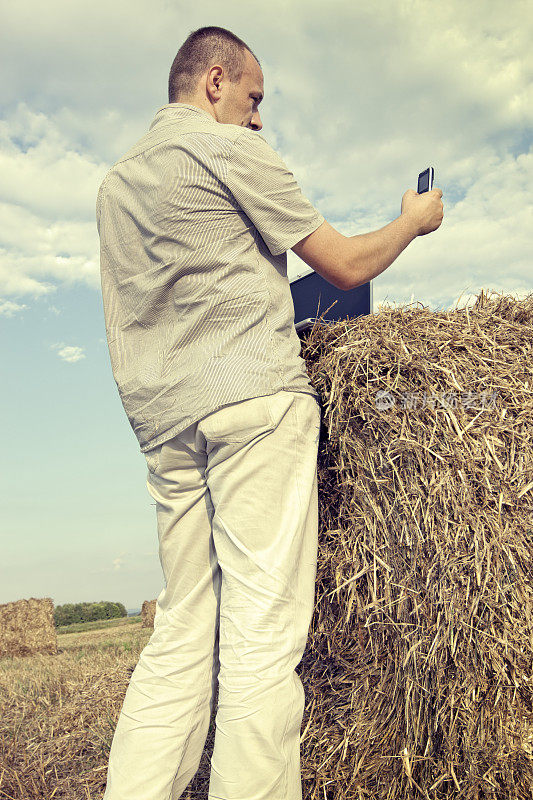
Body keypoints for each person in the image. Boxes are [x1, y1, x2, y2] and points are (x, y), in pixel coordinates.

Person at [96, 25, 443, 800]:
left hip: (164, 426)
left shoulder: (114, 186)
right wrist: (412, 221)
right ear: (214, 81)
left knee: (184, 624)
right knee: (259, 639)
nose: (257, 118)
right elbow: (346, 265)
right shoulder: (228, 149)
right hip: (251, 403)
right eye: (253, 98)